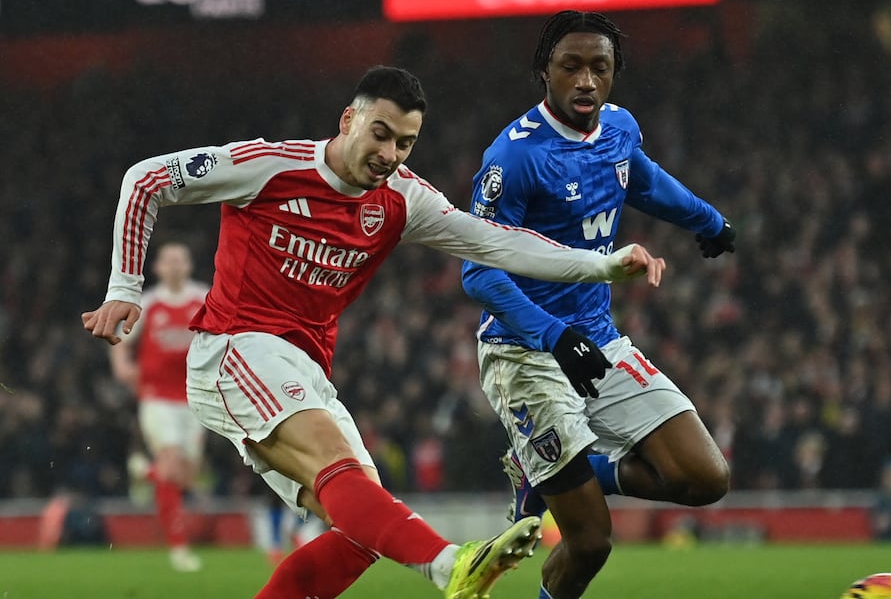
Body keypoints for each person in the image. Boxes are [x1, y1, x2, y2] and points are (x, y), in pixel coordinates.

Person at [82, 65, 666, 599]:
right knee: (349, 481)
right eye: (380, 134)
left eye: (404, 143)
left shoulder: (403, 198)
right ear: (349, 120)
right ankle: (450, 565)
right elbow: (145, 180)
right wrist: (124, 288)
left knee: (364, 528)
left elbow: (496, 241)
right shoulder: (269, 166)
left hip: (306, 367)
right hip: (235, 347)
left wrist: (602, 265)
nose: (390, 154)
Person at [461, 10, 734, 599]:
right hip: (524, 352)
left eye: (599, 67)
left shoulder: (619, 128)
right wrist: (555, 336)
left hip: (598, 339)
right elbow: (479, 275)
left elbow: (642, 180)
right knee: (590, 543)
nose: (586, 80)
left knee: (705, 477)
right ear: (545, 70)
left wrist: (708, 221)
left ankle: (557, 473)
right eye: (571, 66)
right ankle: (552, 476)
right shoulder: (513, 158)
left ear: (614, 73)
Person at [108, 240, 209, 571]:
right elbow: (120, 337)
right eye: (169, 260)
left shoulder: (204, 299)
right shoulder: (149, 303)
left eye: (180, 260)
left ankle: (144, 471)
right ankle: (179, 549)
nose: (175, 265)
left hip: (195, 398)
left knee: (187, 476)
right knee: (172, 462)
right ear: (158, 268)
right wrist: (122, 365)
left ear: (189, 265)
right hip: (157, 397)